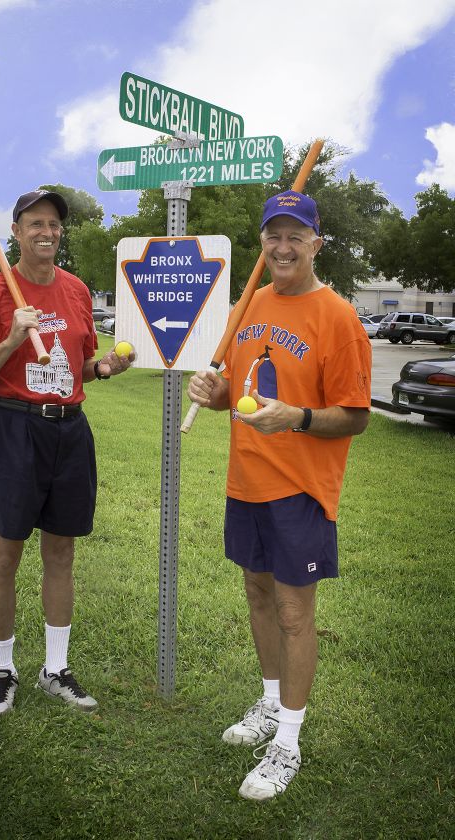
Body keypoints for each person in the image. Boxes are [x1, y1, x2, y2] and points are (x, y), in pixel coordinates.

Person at [187, 190, 371, 800]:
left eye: (297, 236)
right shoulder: (250, 304)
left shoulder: (338, 317)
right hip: (246, 481)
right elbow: (232, 397)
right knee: (258, 596)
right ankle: (269, 703)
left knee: (295, 614)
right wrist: (209, 391)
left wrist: (295, 417)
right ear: (262, 244)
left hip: (300, 490)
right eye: (274, 236)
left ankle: (287, 741)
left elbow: (354, 415)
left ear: (318, 242)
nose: (284, 247)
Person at [0, 189, 133, 720]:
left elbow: (73, 368)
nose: (46, 232)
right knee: (5, 555)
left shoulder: (76, 291)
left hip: (69, 431)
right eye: (35, 223)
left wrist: (101, 369)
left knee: (61, 553)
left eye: (53, 224)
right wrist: (10, 340)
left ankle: (55, 669)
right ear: (15, 230)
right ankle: (3, 672)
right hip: (12, 429)